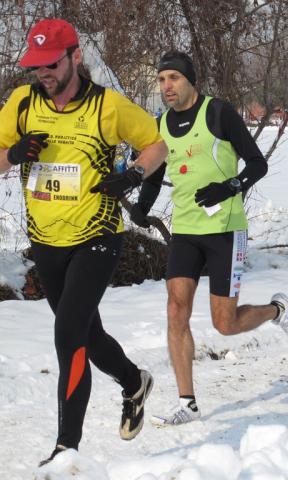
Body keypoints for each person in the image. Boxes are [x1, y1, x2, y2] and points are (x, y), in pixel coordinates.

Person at [0, 19, 167, 465]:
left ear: (75, 57)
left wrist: (132, 173)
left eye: (51, 64)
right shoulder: (21, 104)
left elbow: (156, 145)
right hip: (46, 241)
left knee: (68, 331)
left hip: (97, 236)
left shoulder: (106, 107)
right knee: (87, 336)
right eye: (36, 66)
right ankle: (134, 381)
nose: (43, 74)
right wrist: (13, 155)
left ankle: (65, 449)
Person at [128, 51, 288, 425]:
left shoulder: (218, 113)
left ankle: (278, 311)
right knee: (176, 310)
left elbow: (258, 162)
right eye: (161, 80)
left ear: (190, 79)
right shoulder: (159, 124)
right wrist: (143, 205)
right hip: (186, 232)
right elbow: (156, 172)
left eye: (173, 78)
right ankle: (187, 402)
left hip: (226, 230)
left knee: (225, 324)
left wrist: (230, 187)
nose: (166, 87)